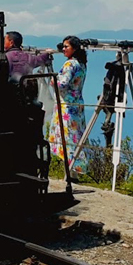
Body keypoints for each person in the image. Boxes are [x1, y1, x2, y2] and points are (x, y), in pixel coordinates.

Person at [47, 35, 92, 172]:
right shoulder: (82, 64)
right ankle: (77, 168)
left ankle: (70, 168)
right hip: (77, 103)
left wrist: (54, 80)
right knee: (77, 136)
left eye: (67, 46)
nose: (64, 49)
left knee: (67, 137)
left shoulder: (70, 64)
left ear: (74, 48)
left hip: (66, 105)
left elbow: (63, 83)